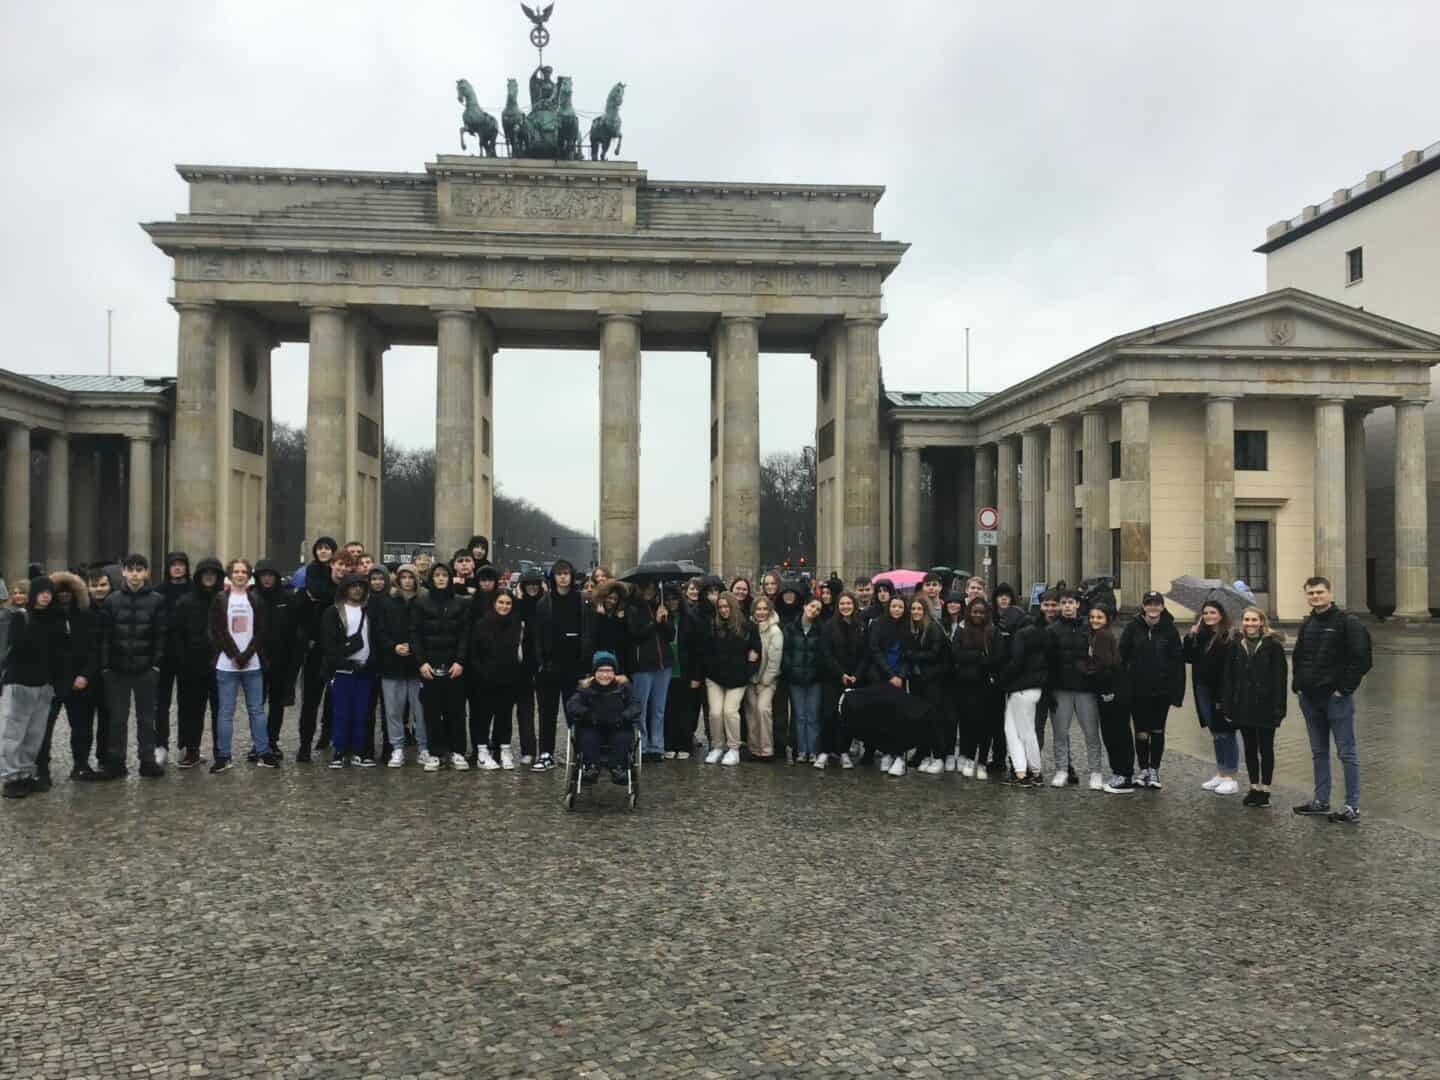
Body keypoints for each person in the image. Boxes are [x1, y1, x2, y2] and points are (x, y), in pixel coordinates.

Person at [1290, 576, 1372, 824]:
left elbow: (1362, 659)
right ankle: (1321, 801)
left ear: (1329, 593)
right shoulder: (1308, 623)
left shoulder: (1348, 622)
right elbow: (1299, 656)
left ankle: (1352, 806)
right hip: (1310, 697)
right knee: (1319, 752)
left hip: (1336, 698)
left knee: (1346, 753)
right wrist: (1299, 685)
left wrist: (1344, 689)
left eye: (1319, 592)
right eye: (1311, 593)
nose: (1315, 596)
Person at [99, 554, 169, 778]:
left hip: (146, 669)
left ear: (146, 572)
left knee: (146, 719)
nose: (136, 574)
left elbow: (161, 635)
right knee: (117, 719)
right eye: (132, 569)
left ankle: (147, 760)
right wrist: (106, 666)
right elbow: (105, 637)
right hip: (117, 670)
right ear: (124, 572)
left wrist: (156, 665)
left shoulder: (157, 600)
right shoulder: (112, 600)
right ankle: (116, 762)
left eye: (140, 569)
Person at [1, 578, 66, 799]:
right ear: (34, 594)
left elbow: (57, 653)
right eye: (42, 592)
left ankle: (26, 774)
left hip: (44, 685)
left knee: (34, 733)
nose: (46, 596)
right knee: (14, 732)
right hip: (20, 682)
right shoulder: (21, 617)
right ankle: (11, 777)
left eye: (49, 592)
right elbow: (18, 648)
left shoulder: (55, 619)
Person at [35, 572, 102, 785]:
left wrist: (85, 675)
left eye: (68, 591)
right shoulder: (43, 619)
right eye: (60, 592)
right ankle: (41, 769)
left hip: (79, 681)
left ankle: (81, 765)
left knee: (82, 726)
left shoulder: (87, 616)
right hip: (51, 682)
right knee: (43, 728)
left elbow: (95, 649)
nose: (64, 595)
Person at [209, 558, 276, 771]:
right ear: (230, 574)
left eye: (244, 571)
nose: (240, 575)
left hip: (252, 663)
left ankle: (263, 751)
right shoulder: (221, 598)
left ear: (249, 575)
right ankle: (223, 755)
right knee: (225, 712)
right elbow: (217, 630)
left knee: (256, 709)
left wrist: (246, 654)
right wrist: (234, 654)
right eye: (236, 571)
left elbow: (262, 630)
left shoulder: (254, 598)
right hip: (227, 664)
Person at [1222, 606, 1288, 809]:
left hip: (1266, 705)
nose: (1250, 624)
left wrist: (1279, 708)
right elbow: (1228, 677)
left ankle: (1265, 788)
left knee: (1266, 748)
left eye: (1254, 620)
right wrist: (1229, 705)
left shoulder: (1273, 646)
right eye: (1247, 620)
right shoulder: (1235, 645)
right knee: (1250, 748)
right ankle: (1253, 786)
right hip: (1243, 704)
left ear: (1261, 622)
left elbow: (1280, 679)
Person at [1119, 591, 1184, 790]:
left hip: (1161, 691)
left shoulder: (1170, 630)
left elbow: (1177, 664)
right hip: (1137, 690)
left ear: (1162, 607)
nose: (1153, 608)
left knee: (1157, 730)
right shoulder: (1132, 628)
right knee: (1141, 732)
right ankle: (1143, 769)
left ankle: (1155, 769)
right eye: (1149, 604)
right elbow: (1122, 657)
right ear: (1143, 606)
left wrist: (1177, 693)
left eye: (1157, 604)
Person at [411, 562, 470, 771]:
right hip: (430, 665)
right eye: (437, 575)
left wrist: (460, 661)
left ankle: (458, 751)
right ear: (432, 578)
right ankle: (435, 753)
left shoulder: (461, 603)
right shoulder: (421, 602)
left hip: (454, 666)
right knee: (432, 712)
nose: (441, 578)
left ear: (450, 577)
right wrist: (421, 662)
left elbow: (464, 635)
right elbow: (415, 634)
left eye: (445, 575)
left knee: (456, 711)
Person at [319, 571, 379, 768]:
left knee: (362, 713)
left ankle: (359, 750)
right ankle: (339, 750)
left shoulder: (369, 611)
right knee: (341, 712)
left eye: (361, 586)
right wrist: (340, 664)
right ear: (345, 588)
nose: (357, 589)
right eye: (354, 586)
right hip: (342, 670)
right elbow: (328, 644)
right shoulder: (334, 612)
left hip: (365, 669)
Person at [170, 558, 225, 769]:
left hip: (220, 663)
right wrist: (182, 661)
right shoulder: (185, 601)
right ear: (199, 576)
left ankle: (221, 751)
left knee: (220, 710)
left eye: (213, 573)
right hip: (191, 665)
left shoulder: (225, 599)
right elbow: (176, 634)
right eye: (205, 573)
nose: (209, 576)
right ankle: (190, 750)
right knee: (190, 711)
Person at [532, 559, 586, 772]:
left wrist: (584, 663)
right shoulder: (544, 602)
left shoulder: (582, 600)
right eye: (558, 573)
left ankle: (579, 753)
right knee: (547, 713)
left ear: (572, 575)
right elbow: (537, 635)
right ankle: (546, 753)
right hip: (549, 666)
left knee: (575, 713)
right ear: (553, 577)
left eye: (566, 573)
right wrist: (540, 662)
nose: (562, 577)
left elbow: (587, 633)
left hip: (574, 666)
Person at [1048, 588, 1104, 789]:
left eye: (1071, 602)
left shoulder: (1088, 627)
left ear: (1077, 605)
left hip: (1085, 688)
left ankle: (1095, 772)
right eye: (1064, 603)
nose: (1068, 606)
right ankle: (1061, 769)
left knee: (1091, 733)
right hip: (1060, 688)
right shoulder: (1052, 630)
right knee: (1060, 733)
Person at [376, 563, 429, 768]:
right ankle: (397, 748)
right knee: (393, 710)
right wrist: (393, 646)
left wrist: (416, 649)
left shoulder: (424, 600)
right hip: (392, 663)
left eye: (411, 577)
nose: (407, 581)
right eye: (403, 577)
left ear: (416, 579)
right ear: (398, 579)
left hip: (417, 664)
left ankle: (423, 747)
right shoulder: (387, 602)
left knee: (421, 710)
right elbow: (380, 630)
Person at [467, 588, 526, 771]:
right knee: (484, 716)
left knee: (505, 717)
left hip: (509, 679)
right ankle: (483, 752)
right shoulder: (482, 624)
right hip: (484, 679)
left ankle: (504, 749)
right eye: (501, 602)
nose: (504, 606)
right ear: (494, 603)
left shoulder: (517, 624)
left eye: (508, 603)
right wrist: (482, 673)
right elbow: (474, 653)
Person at [1184, 600, 1238, 795]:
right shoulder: (1202, 635)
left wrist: (1227, 695)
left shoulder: (1229, 636)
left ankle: (1230, 775)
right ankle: (1221, 772)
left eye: (1212, 612)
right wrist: (1192, 635)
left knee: (1226, 731)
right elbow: (1188, 657)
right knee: (1215, 732)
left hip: (1221, 691)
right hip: (1202, 688)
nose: (1208, 616)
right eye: (1205, 613)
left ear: (1221, 615)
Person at [700, 591, 760, 766]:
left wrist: (747, 672)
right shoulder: (712, 625)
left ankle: (734, 748)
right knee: (715, 712)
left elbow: (756, 652)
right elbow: (706, 652)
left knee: (730, 712)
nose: (723, 610)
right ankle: (717, 746)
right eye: (720, 607)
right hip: (715, 677)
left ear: (733, 607)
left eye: (726, 606)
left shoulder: (748, 627)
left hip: (738, 678)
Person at [565, 651, 641, 785]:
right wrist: (588, 714)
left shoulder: (624, 688)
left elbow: (635, 705)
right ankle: (591, 767)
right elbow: (572, 705)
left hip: (618, 725)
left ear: (615, 672)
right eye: (601, 670)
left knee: (623, 738)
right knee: (588, 737)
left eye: (609, 671)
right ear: (594, 672)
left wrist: (623, 716)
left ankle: (618, 768)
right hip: (593, 725)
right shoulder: (585, 688)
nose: (605, 675)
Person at [1085, 606, 1137, 793]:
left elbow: (1105, 664)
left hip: (1112, 690)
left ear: (1107, 619)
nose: (1095, 620)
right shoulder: (1098, 635)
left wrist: (1088, 670)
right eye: (1092, 617)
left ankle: (1124, 776)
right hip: (1110, 689)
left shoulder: (1103, 636)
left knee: (1117, 734)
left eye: (1099, 617)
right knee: (1114, 733)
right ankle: (1120, 773)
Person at [253, 559, 301, 760]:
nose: (266, 579)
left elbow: (294, 632)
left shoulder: (287, 599)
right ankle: (259, 743)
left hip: (281, 661)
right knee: (256, 705)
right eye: (263, 575)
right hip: (255, 660)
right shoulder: (251, 598)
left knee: (276, 705)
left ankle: (272, 741)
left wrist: (293, 662)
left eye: (270, 575)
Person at [296, 537, 339, 762]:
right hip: (315, 648)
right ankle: (304, 745)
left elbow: (329, 596)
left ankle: (326, 735)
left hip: (334, 649)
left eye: (327, 548)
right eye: (320, 548)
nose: (323, 552)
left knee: (333, 698)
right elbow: (319, 593)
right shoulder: (311, 572)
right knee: (310, 701)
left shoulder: (338, 574)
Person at [952, 596, 1004, 780]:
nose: (978, 615)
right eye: (975, 611)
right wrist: (978, 656)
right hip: (965, 685)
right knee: (966, 725)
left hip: (987, 687)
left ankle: (982, 761)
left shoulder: (993, 631)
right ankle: (966, 758)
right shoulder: (961, 629)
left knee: (985, 726)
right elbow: (955, 654)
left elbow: (997, 658)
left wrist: (974, 658)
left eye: (981, 612)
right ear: (969, 612)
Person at [998, 603, 1048, 787]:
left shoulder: (1019, 635)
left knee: (1015, 733)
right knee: (1026, 732)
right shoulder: (1039, 633)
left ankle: (1025, 773)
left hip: (1020, 689)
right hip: (1035, 689)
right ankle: (1031, 772)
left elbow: (1015, 663)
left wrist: (1002, 680)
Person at [626, 580, 674, 763]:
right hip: (643, 665)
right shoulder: (632, 608)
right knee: (641, 709)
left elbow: (670, 636)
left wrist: (664, 620)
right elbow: (636, 636)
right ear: (639, 588)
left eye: (653, 588)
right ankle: (642, 746)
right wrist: (654, 621)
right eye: (646, 587)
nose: (650, 591)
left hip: (664, 665)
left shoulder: (660, 606)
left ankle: (657, 746)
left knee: (659, 709)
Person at [817, 590, 865, 769]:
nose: (846, 607)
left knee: (847, 717)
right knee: (828, 715)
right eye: (842, 604)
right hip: (832, 677)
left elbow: (865, 655)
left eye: (849, 604)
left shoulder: (861, 626)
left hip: (853, 679)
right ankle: (825, 751)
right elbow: (826, 653)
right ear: (838, 606)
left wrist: (856, 675)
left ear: (854, 605)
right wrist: (840, 673)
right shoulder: (829, 626)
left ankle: (843, 751)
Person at [152, 551, 191, 766]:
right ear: (168, 568)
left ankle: (186, 745)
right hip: (164, 654)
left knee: (187, 702)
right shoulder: (158, 593)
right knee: (161, 703)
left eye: (181, 565)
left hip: (187, 654)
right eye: (173, 565)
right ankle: (161, 745)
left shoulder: (193, 590)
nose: (177, 568)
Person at [902, 596, 948, 774]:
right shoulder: (913, 629)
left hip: (932, 679)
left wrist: (911, 655)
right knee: (920, 717)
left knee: (934, 717)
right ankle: (923, 752)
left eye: (919, 609)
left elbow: (934, 654)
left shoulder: (934, 628)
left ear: (925, 610)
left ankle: (938, 755)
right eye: (913, 609)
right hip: (917, 679)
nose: (915, 612)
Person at [782, 596, 825, 764]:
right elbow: (786, 652)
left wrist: (818, 672)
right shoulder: (791, 628)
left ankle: (813, 750)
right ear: (805, 606)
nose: (814, 610)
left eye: (818, 609)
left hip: (814, 679)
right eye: (812, 606)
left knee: (813, 716)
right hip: (796, 678)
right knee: (799, 716)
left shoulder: (820, 629)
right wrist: (791, 670)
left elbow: (823, 654)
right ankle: (801, 750)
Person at [511, 569, 545, 766]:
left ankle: (544, 749)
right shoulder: (517, 606)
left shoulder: (547, 605)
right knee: (525, 710)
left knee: (545, 710)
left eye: (535, 583)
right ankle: (528, 749)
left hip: (542, 663)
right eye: (528, 584)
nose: (532, 587)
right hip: (522, 664)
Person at [744, 595, 784, 761]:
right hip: (750, 678)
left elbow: (775, 661)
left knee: (763, 711)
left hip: (767, 680)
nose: (761, 612)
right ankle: (754, 749)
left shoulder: (775, 631)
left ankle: (766, 750)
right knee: (751, 714)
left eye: (764, 609)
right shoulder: (748, 627)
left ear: (770, 611)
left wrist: (765, 682)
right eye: (758, 609)